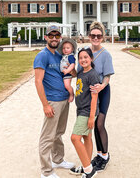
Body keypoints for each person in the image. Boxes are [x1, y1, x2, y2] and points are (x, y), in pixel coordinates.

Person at [34, 25, 75, 178]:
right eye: (51, 36)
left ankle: (57, 160)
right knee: (47, 136)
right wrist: (45, 105)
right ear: (46, 37)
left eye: (57, 36)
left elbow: (69, 74)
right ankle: (46, 171)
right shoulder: (42, 56)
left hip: (64, 99)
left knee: (58, 132)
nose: (54, 38)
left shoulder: (59, 56)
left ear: (60, 38)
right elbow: (38, 81)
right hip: (52, 101)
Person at [74, 21, 114, 172]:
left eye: (98, 35)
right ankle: (98, 154)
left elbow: (108, 76)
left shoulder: (106, 55)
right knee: (92, 126)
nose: (95, 38)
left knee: (99, 123)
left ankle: (104, 155)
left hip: (102, 92)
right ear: (89, 36)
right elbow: (79, 71)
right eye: (93, 35)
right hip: (88, 94)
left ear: (102, 37)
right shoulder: (86, 52)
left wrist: (101, 86)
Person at [69, 47, 100, 178]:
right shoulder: (81, 72)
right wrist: (70, 66)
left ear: (91, 58)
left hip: (88, 111)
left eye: (86, 57)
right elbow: (76, 75)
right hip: (81, 109)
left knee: (75, 138)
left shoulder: (93, 74)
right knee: (87, 137)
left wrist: (92, 117)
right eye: (80, 58)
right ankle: (87, 165)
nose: (83, 60)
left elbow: (94, 97)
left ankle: (89, 171)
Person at [57, 38, 77, 102]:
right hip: (63, 74)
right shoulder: (64, 56)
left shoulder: (70, 56)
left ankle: (71, 94)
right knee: (64, 86)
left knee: (67, 85)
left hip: (67, 74)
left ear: (72, 49)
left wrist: (67, 71)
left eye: (68, 48)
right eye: (64, 48)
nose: (65, 49)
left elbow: (72, 65)